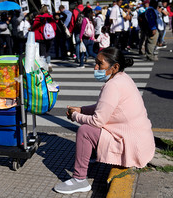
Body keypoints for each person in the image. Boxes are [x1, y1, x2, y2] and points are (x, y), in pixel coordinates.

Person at [54, 47, 155, 194]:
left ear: (114, 67)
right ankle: (93, 155)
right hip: (141, 141)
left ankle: (79, 180)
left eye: (100, 64)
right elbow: (104, 107)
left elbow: (97, 121)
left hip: (132, 144)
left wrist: (75, 116)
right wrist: (81, 110)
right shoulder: (123, 78)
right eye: (95, 63)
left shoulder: (112, 86)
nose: (95, 67)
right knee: (92, 128)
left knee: (85, 131)